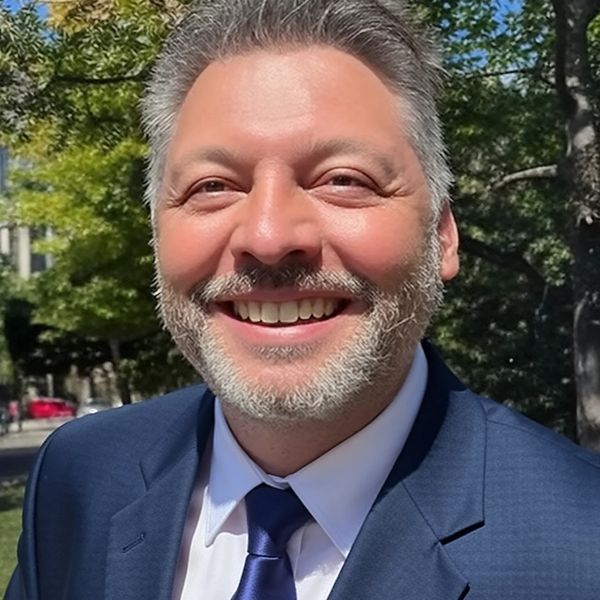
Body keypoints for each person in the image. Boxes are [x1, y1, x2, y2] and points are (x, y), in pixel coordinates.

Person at [5, 1, 600, 599]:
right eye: (213, 186)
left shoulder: (581, 552)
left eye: (344, 180)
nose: (268, 237)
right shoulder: (77, 479)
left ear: (442, 235)